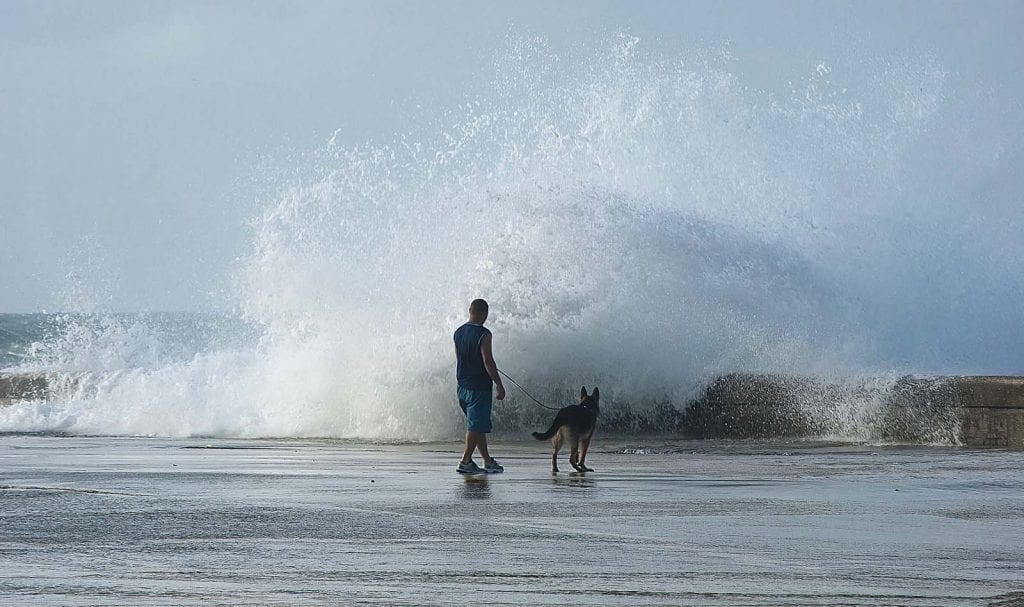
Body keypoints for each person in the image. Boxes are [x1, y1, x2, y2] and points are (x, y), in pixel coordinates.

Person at [453, 298, 506, 474]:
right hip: (479, 387)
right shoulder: (484, 334)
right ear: (485, 313)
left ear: (470, 310)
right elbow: (487, 361)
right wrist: (498, 383)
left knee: (478, 425)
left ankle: (487, 461)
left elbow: (459, 357)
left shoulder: (458, 332)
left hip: (462, 386)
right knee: (475, 426)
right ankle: (465, 461)